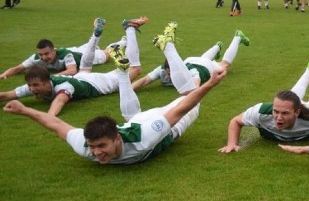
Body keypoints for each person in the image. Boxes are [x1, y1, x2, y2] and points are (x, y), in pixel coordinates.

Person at [4, 65, 227, 165]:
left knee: (190, 100)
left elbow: (179, 110)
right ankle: (122, 73)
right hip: (136, 122)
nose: (96, 152)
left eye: (101, 146)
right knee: (134, 117)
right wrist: (24, 110)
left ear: (116, 138)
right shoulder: (85, 147)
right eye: (93, 146)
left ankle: (185, 65)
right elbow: (55, 124)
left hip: (166, 129)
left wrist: (211, 84)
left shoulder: (144, 139)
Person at [0, 17, 147, 115]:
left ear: (47, 82)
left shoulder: (64, 88)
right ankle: (102, 37)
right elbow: (7, 94)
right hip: (81, 77)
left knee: (135, 69)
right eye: (30, 86)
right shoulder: (38, 83)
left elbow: (57, 105)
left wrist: (33, 114)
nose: (32, 89)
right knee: (86, 66)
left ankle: (129, 28)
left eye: (35, 86)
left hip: (98, 84)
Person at [133, 29, 250, 94]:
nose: (170, 76)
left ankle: (237, 37)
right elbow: (144, 81)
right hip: (194, 60)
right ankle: (217, 47)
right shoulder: (162, 69)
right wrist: (129, 90)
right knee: (203, 58)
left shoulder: (191, 72)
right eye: (169, 73)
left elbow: (195, 86)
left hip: (205, 66)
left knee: (224, 65)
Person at [0, 29, 125, 80]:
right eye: (41, 54)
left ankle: (123, 41)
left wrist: (50, 78)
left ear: (54, 51)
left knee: (107, 54)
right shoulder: (36, 58)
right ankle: (94, 38)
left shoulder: (66, 55)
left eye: (47, 54)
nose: (43, 57)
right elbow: (18, 68)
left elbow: (71, 71)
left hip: (83, 58)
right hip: (76, 49)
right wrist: (4, 75)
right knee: (89, 45)